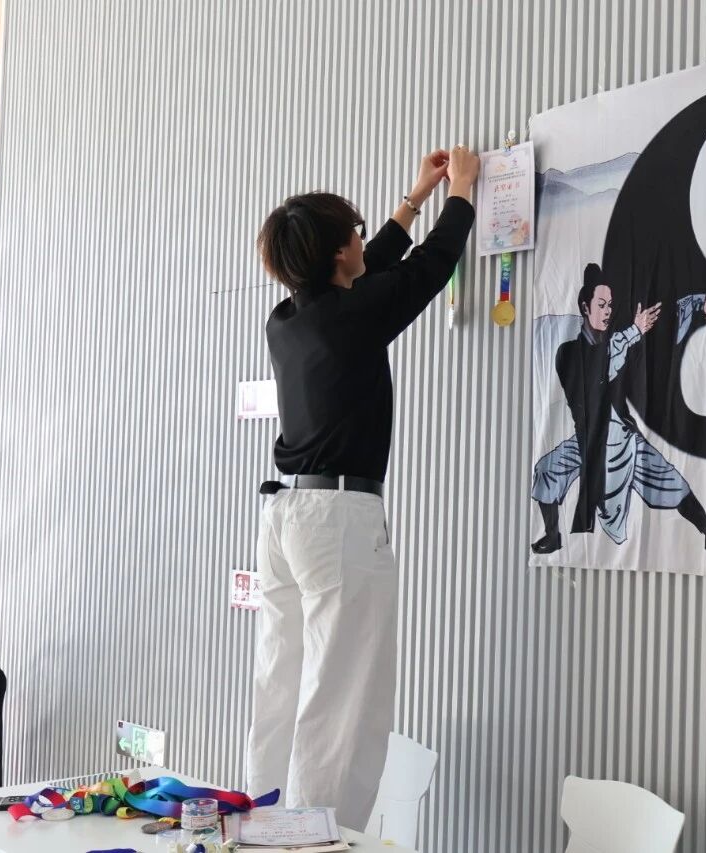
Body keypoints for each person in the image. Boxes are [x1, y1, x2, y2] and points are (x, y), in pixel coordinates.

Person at [248, 145, 478, 828]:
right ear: (335, 254)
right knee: (340, 698)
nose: (361, 239)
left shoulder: (288, 320)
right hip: (338, 522)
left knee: (282, 682)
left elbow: (369, 269)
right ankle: (315, 840)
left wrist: (415, 198)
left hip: (288, 516)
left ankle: (264, 824)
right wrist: (461, 193)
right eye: (354, 231)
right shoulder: (352, 315)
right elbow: (429, 268)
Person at [531, 263, 706, 562]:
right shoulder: (569, 352)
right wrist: (633, 331)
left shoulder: (620, 340)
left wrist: (701, 301)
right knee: (546, 469)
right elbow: (599, 369)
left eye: (610, 305)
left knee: (674, 484)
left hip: (622, 439)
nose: (608, 311)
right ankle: (552, 534)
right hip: (587, 442)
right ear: (585, 307)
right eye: (601, 305)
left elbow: (665, 322)